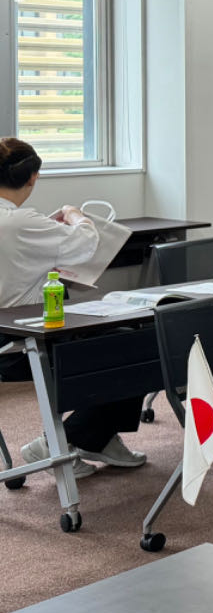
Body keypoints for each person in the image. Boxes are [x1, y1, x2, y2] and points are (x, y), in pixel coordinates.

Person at [1, 138, 148, 476]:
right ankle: (69, 439)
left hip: (14, 337)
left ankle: (97, 436)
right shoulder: (21, 222)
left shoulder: (22, 223)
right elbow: (86, 243)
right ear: (33, 177)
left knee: (120, 338)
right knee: (138, 343)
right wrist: (73, 214)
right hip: (21, 343)